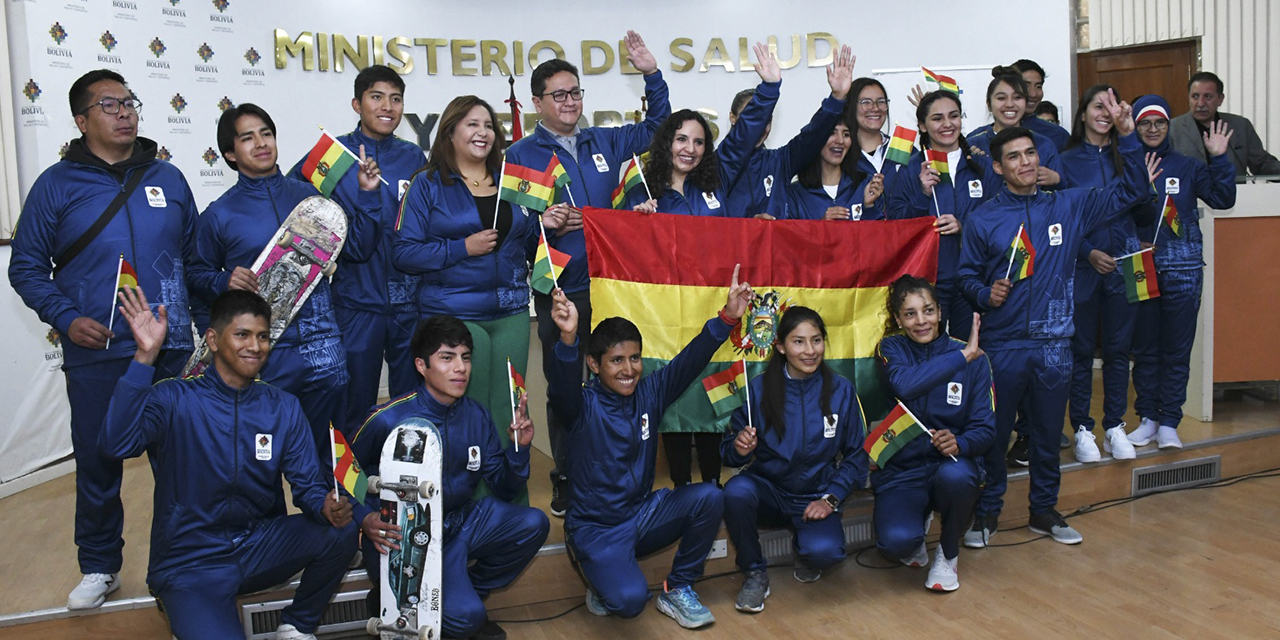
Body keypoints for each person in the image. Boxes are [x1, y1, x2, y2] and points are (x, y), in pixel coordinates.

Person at [7, 69, 197, 610]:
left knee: (181, 462)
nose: (124, 112)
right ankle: (99, 566)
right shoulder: (56, 184)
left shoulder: (171, 178)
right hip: (97, 349)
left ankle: (180, 564)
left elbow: (197, 258)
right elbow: (25, 267)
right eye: (109, 105)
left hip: (171, 348)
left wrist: (207, 319)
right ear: (81, 119)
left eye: (129, 102)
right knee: (97, 461)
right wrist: (67, 320)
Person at [102, 287, 359, 640]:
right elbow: (116, 443)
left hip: (257, 548)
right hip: (189, 563)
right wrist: (144, 357)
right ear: (213, 339)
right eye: (242, 335)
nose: (255, 346)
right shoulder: (174, 398)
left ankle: (296, 625)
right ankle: (186, 611)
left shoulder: (282, 406)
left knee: (341, 531)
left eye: (263, 336)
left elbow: (308, 487)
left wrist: (326, 507)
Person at [957, 89, 1148, 547]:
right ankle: (987, 515)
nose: (1025, 162)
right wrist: (986, 292)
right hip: (1001, 347)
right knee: (995, 436)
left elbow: (1134, 190)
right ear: (998, 167)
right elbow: (965, 277)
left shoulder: (1069, 204)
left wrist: (1128, 137)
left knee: (1046, 438)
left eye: (1030, 154)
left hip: (1055, 345)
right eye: (1014, 157)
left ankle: (1044, 511)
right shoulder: (983, 219)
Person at [503, 30, 670, 517]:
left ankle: (620, 466)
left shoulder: (607, 139)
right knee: (564, 386)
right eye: (559, 94)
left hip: (616, 283)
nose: (571, 101)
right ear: (538, 103)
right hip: (562, 286)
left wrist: (652, 73)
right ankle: (567, 475)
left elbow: (660, 126)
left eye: (576, 92)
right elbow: (511, 230)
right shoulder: (520, 157)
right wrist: (544, 223)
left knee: (623, 374)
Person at [546, 266, 753, 629]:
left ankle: (678, 589)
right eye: (616, 360)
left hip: (642, 515)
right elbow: (561, 388)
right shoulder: (580, 406)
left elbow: (691, 360)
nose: (629, 369)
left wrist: (727, 318)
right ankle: (599, 577)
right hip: (596, 529)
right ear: (594, 365)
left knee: (709, 496)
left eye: (635, 358)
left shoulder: (650, 393)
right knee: (629, 602)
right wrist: (568, 339)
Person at [190, 103, 381, 460]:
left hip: (324, 351)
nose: (261, 143)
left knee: (330, 455)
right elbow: (196, 276)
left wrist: (368, 195)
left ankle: (331, 515)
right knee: (262, 459)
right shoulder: (219, 213)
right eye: (247, 138)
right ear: (230, 154)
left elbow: (359, 248)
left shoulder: (310, 199)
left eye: (266, 133)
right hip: (264, 355)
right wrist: (222, 280)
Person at [350, 315, 549, 640]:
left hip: (457, 527)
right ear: (421, 365)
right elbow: (341, 472)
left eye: (466, 358)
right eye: (447, 357)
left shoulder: (476, 415)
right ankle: (409, 600)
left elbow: (504, 486)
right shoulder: (389, 420)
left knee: (533, 524)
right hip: (403, 540)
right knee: (468, 619)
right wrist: (364, 518)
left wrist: (519, 450)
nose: (461, 368)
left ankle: (460, 591)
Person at [393, 96, 539, 467]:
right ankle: (468, 507)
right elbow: (404, 254)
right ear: (450, 132)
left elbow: (527, 243)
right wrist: (462, 248)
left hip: (511, 312)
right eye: (472, 124)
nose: (483, 132)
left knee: (510, 409)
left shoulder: (513, 180)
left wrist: (545, 224)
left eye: (489, 125)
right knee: (468, 416)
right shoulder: (426, 184)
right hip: (454, 313)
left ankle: (510, 501)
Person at [288, 64, 425, 437]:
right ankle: (352, 488)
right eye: (377, 97)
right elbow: (290, 200)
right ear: (357, 103)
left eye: (396, 99)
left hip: (409, 303)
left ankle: (404, 486)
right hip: (354, 301)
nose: (388, 106)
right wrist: (324, 246)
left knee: (412, 404)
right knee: (353, 404)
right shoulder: (335, 155)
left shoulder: (414, 158)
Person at [720, 307, 867, 613]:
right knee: (736, 490)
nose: (810, 351)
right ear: (780, 346)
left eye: (817, 340)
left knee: (826, 554)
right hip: (769, 492)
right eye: (799, 342)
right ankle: (754, 573)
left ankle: (807, 549)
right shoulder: (757, 390)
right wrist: (739, 448)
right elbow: (727, 450)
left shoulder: (841, 390)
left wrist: (831, 498)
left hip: (816, 495)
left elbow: (856, 455)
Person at [1127, 94, 1237, 449]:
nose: (1153, 129)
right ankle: (1148, 418)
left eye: (1159, 122)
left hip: (1184, 270)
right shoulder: (1125, 164)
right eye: (1145, 123)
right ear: (1136, 126)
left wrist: (1219, 157)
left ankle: (1170, 420)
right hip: (1139, 268)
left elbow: (1223, 198)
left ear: (1168, 125)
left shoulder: (1189, 166)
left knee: (1176, 349)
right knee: (1144, 348)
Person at [874, 276, 994, 592]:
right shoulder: (890, 348)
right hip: (903, 469)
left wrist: (961, 442)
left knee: (958, 477)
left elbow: (986, 430)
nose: (921, 321)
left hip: (950, 465)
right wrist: (960, 358)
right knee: (895, 544)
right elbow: (905, 384)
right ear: (898, 320)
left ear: (940, 312)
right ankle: (918, 517)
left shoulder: (975, 360)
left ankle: (948, 553)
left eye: (928, 310)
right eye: (910, 313)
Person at [1060, 85, 1158, 463]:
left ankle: (1114, 425)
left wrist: (1129, 133)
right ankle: (1083, 427)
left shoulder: (1128, 153)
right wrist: (1088, 252)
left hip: (1127, 265)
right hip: (1083, 267)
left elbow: (1139, 197)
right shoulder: (1065, 162)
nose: (1106, 112)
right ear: (1083, 113)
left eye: (1113, 106)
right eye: (1098, 106)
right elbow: (1061, 219)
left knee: (1119, 351)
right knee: (1081, 351)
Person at [885, 89, 1000, 340]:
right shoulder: (911, 168)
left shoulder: (981, 165)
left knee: (967, 353)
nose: (947, 124)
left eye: (954, 116)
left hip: (973, 280)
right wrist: (922, 194)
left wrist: (964, 225)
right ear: (922, 126)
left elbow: (999, 217)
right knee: (928, 354)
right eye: (937, 118)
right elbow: (895, 224)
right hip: (926, 282)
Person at [632, 43, 779, 217]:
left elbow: (742, 136)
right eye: (681, 139)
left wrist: (769, 89)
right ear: (666, 143)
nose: (691, 149)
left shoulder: (717, 177)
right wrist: (640, 221)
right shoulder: (642, 192)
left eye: (699, 142)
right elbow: (622, 237)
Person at [723, 45, 855, 219]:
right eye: (752, 120)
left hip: (778, 246)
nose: (759, 128)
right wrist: (749, 227)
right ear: (733, 118)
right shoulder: (717, 165)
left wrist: (836, 99)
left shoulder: (779, 162)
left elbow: (811, 137)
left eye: (766, 120)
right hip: (736, 246)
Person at [966, 68, 1064, 188]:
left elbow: (1061, 195)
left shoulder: (1043, 144)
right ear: (989, 105)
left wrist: (1057, 180)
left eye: (1017, 98)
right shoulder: (973, 144)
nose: (1010, 104)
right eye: (1001, 98)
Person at [1169, 71, 1280, 177]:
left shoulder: (1240, 126)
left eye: (1208, 96)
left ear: (1220, 99)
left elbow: (1261, 163)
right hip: (1190, 195)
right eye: (1195, 96)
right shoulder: (1172, 129)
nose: (1200, 103)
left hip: (1235, 194)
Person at [784, 118, 886, 220]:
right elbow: (790, 235)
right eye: (832, 133)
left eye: (846, 134)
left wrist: (868, 207)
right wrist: (821, 226)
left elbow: (881, 234)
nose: (840, 141)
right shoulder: (795, 194)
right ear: (815, 139)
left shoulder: (866, 185)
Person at [849, 77, 905, 196]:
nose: (875, 108)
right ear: (851, 107)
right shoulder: (843, 154)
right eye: (866, 102)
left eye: (881, 101)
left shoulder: (901, 147)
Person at [1010, 59, 1070, 151]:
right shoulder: (985, 135)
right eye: (1026, 86)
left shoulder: (1058, 134)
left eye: (1038, 87)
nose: (1033, 94)